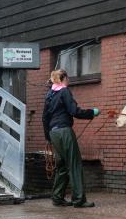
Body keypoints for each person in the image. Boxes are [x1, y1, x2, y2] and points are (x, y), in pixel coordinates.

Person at [42, 69, 100, 208]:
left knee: (62, 165)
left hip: (53, 133)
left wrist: (48, 137)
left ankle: (57, 197)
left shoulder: (50, 94)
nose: (69, 80)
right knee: (74, 164)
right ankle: (79, 199)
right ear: (64, 78)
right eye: (68, 78)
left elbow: (44, 117)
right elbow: (74, 111)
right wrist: (92, 112)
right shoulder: (64, 91)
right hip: (64, 132)